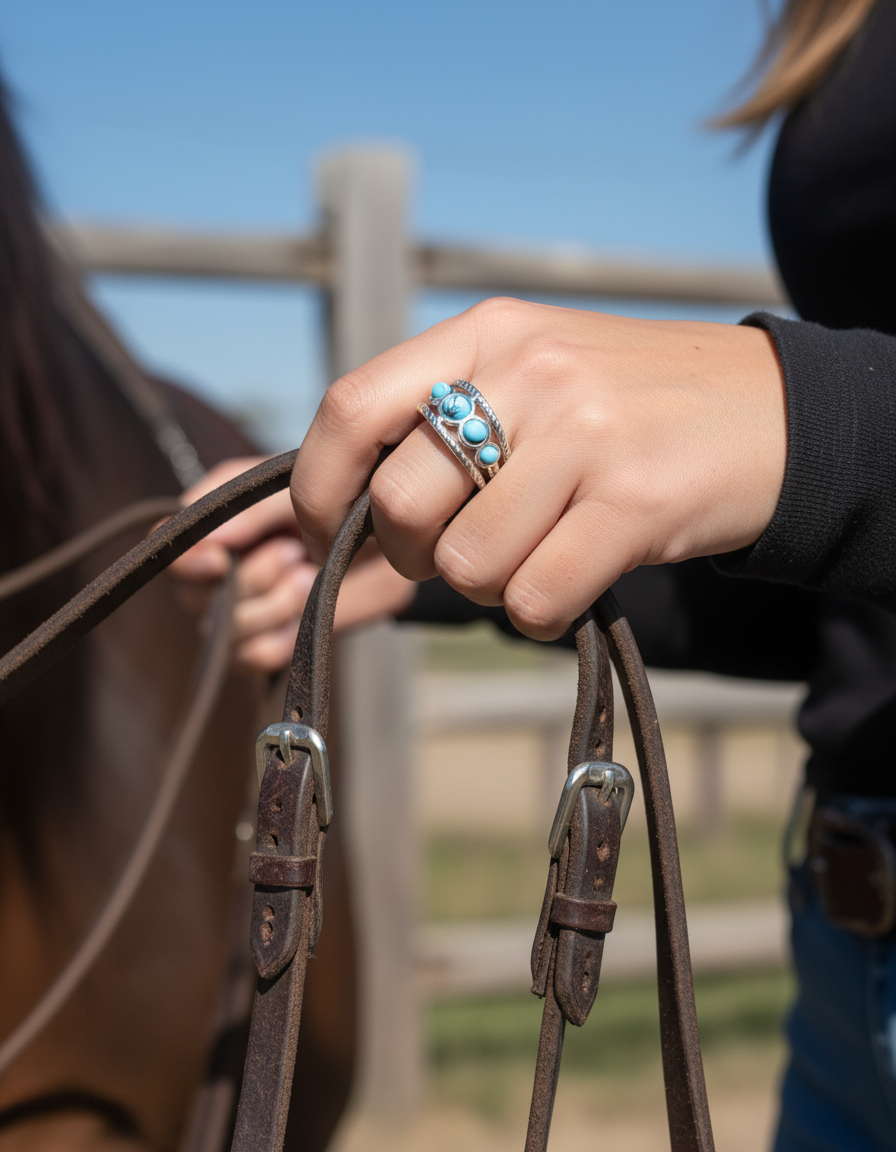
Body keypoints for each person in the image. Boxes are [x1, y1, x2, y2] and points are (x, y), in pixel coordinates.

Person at [175, 0, 896, 1147]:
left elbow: (832, 473)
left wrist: (812, 427)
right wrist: (433, 571)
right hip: (844, 933)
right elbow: (846, 614)